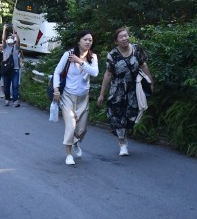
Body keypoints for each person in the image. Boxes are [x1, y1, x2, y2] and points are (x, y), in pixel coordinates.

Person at [96, 27, 154, 157]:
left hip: (134, 89)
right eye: (121, 37)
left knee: (131, 116)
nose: (124, 38)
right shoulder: (113, 55)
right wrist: (101, 94)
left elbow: (143, 66)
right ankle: (122, 143)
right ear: (116, 41)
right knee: (117, 116)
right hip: (118, 90)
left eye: (126, 36)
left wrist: (150, 81)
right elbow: (108, 74)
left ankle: (124, 134)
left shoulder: (137, 49)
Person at [51, 31, 99, 166]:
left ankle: (76, 141)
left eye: (90, 40)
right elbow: (57, 72)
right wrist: (56, 89)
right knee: (71, 126)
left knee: (82, 129)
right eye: (85, 39)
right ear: (79, 41)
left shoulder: (92, 57)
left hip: (84, 97)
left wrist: (80, 62)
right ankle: (68, 154)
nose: (88, 42)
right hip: (67, 96)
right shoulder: (68, 55)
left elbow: (95, 73)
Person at [0, 26, 23, 107]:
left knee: (15, 85)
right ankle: (7, 99)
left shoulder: (16, 47)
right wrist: (4, 29)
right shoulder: (5, 47)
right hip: (7, 69)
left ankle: (15, 101)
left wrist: (16, 34)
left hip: (15, 69)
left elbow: (19, 42)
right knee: (6, 85)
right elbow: (3, 39)